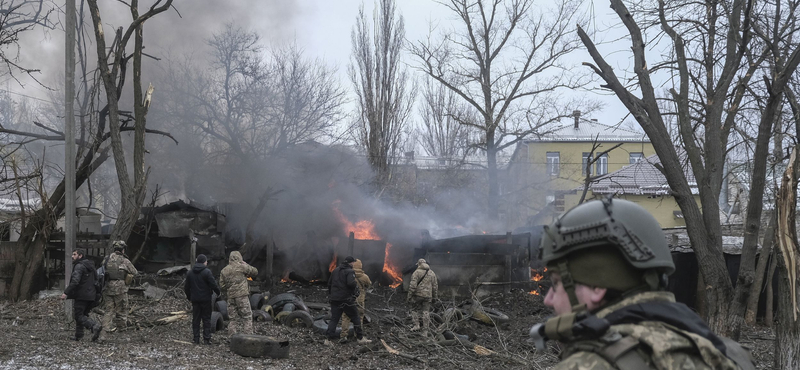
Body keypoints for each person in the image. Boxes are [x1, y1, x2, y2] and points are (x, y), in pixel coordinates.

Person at [530, 198, 755, 370]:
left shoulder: (588, 364)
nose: (548, 299)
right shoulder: (731, 356)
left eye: (557, 283)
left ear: (597, 287)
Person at [325, 256, 372, 345]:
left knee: (334, 319)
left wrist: (331, 295)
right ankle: (360, 338)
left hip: (335, 299)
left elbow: (329, 283)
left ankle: (328, 340)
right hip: (346, 299)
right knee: (355, 317)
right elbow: (351, 283)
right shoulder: (350, 271)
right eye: (353, 262)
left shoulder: (335, 270)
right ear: (351, 263)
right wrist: (355, 290)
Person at [98, 240, 138, 341]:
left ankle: (103, 334)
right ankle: (122, 334)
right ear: (123, 250)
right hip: (120, 289)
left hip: (107, 288)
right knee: (121, 310)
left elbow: (101, 270)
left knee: (109, 311)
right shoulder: (125, 260)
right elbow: (135, 272)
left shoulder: (106, 259)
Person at [60, 249, 102, 342]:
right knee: (82, 315)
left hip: (82, 295)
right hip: (91, 295)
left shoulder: (79, 266)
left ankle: (94, 326)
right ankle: (78, 335)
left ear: (80, 256)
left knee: (78, 315)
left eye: (74, 254)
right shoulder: (91, 266)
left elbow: (75, 281)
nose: (72, 256)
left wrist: (66, 292)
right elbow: (97, 280)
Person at [184, 254, 221, 344]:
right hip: (206, 300)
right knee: (206, 319)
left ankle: (196, 339)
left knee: (196, 319)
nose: (207, 262)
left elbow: (186, 288)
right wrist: (218, 292)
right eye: (206, 261)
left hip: (195, 300)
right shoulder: (207, 272)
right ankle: (206, 339)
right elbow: (213, 284)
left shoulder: (190, 273)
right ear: (204, 262)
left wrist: (190, 297)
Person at [219, 250, 257, 335]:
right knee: (247, 316)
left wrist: (230, 288)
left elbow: (222, 286)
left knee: (232, 319)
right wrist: (246, 264)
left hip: (231, 297)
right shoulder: (242, 267)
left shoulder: (224, 270)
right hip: (242, 296)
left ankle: (232, 338)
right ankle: (248, 336)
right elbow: (255, 272)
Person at [339, 258, 371, 342]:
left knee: (346, 317)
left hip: (348, 299)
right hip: (359, 300)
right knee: (359, 317)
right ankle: (358, 336)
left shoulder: (347, 274)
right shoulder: (364, 277)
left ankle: (343, 336)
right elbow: (369, 285)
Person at [407, 258, 438, 336]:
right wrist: (435, 297)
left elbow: (412, 286)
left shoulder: (416, 272)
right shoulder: (432, 273)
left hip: (418, 295)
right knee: (426, 312)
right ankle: (425, 331)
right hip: (428, 296)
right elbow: (435, 286)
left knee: (414, 309)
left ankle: (416, 325)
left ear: (419, 264)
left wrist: (409, 296)